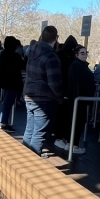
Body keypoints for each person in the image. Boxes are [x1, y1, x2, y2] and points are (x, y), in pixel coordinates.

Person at [23, 26, 63, 156]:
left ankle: (23, 159)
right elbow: (54, 83)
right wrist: (60, 97)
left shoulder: (31, 53)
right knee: (39, 134)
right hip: (44, 99)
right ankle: (31, 165)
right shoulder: (51, 57)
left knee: (29, 131)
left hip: (29, 95)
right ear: (56, 38)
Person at [55, 45, 96, 154]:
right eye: (82, 53)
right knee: (77, 122)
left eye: (86, 52)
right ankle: (74, 145)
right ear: (76, 54)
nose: (85, 55)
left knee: (74, 121)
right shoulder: (78, 66)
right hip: (78, 99)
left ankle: (70, 143)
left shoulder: (79, 65)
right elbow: (77, 83)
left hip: (78, 98)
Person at [0, 35, 24, 131]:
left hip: (4, 81)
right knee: (9, 103)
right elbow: (22, 65)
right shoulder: (16, 56)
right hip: (13, 83)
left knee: (5, 102)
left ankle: (2, 120)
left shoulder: (3, 54)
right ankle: (4, 122)